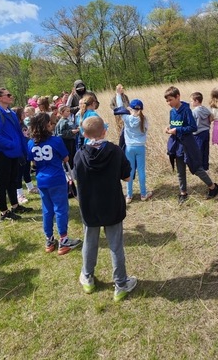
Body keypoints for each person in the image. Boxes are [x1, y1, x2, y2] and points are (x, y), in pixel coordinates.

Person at [74, 115, 137, 300]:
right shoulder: (116, 151)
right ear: (104, 131)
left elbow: (77, 177)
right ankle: (121, 283)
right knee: (116, 245)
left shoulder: (79, 155)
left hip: (89, 207)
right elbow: (127, 177)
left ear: (84, 134)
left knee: (90, 243)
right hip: (112, 205)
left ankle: (87, 277)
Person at [26, 112, 81, 255]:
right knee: (61, 209)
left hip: (42, 180)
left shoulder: (31, 142)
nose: (53, 125)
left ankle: (49, 240)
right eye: (51, 123)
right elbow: (66, 158)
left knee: (47, 210)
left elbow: (32, 161)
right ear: (46, 125)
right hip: (56, 179)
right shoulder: (56, 141)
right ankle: (63, 240)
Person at [164, 85, 218, 203]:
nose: (168, 102)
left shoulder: (187, 110)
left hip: (188, 145)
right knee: (180, 171)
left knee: (196, 168)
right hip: (177, 145)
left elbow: (192, 127)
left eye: (170, 100)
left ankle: (213, 187)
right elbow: (174, 124)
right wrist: (169, 128)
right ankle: (183, 193)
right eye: (167, 100)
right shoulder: (172, 112)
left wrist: (178, 130)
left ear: (178, 97)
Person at [0, 87, 28, 221]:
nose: (11, 96)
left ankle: (15, 205)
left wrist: (23, 148)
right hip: (1, 154)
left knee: (13, 180)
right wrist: (11, 144)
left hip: (13, 153)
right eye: (8, 95)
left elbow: (18, 132)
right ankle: (4, 212)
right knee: (1, 183)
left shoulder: (10, 112)